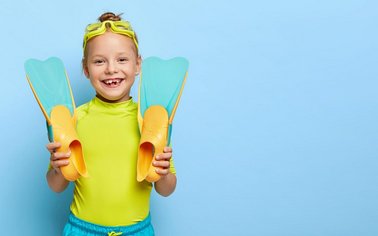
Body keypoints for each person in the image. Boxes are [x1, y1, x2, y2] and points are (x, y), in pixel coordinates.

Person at [46, 12, 177, 235]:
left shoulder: (151, 120)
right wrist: (57, 168)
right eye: (99, 61)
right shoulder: (74, 119)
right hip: (81, 229)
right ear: (86, 69)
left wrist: (163, 173)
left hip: (137, 230)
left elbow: (166, 189)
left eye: (122, 59)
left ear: (137, 65)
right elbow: (56, 186)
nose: (111, 69)